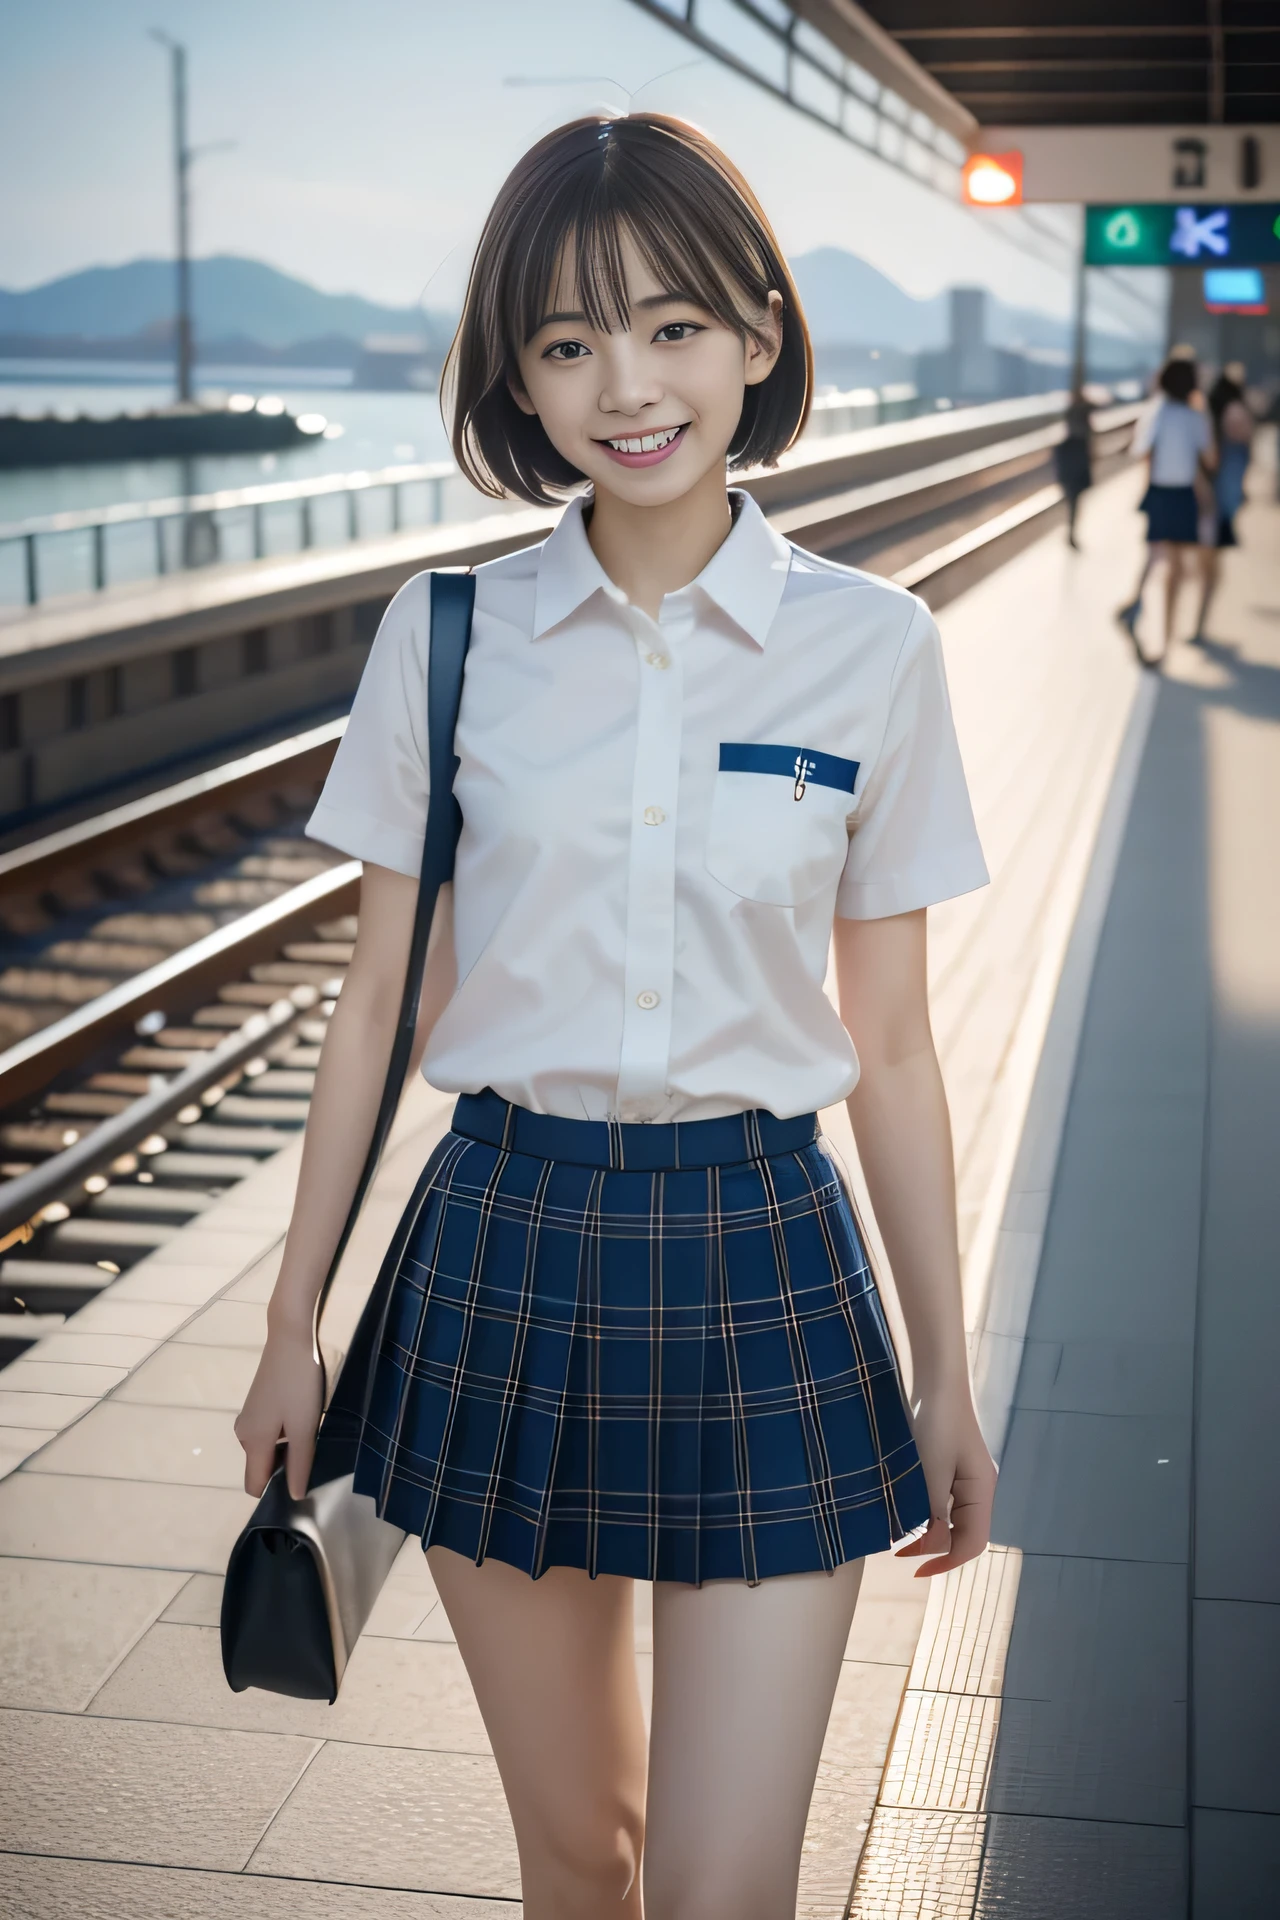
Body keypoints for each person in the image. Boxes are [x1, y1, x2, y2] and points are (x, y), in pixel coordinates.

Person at [234, 114, 996, 1920]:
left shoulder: (874, 648)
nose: (624, 386)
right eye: (567, 344)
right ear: (519, 376)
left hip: (768, 1264)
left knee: (730, 1889)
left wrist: (950, 1375)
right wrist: (289, 1326)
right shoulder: (447, 637)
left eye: (668, 327)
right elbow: (370, 1011)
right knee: (583, 1858)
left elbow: (890, 1047)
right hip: (503, 1242)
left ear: (755, 332)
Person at [1117, 356, 1214, 667]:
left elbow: (1140, 451)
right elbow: (1211, 459)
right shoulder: (1194, 417)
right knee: (1174, 568)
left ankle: (1137, 607)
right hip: (1183, 496)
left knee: (1156, 556)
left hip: (1160, 492)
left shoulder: (1156, 411)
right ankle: (1164, 640)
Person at [1193, 362, 1254, 643]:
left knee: (1205, 566)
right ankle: (1199, 622)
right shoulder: (1233, 447)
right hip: (1217, 507)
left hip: (1208, 506)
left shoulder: (1210, 427)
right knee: (1209, 567)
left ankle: (1199, 622)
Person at [1054, 383, 1093, 548]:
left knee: (1072, 499)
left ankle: (1070, 531)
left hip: (1070, 461)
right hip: (1077, 460)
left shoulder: (1070, 413)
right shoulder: (1083, 414)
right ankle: (1071, 531)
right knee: (1074, 500)